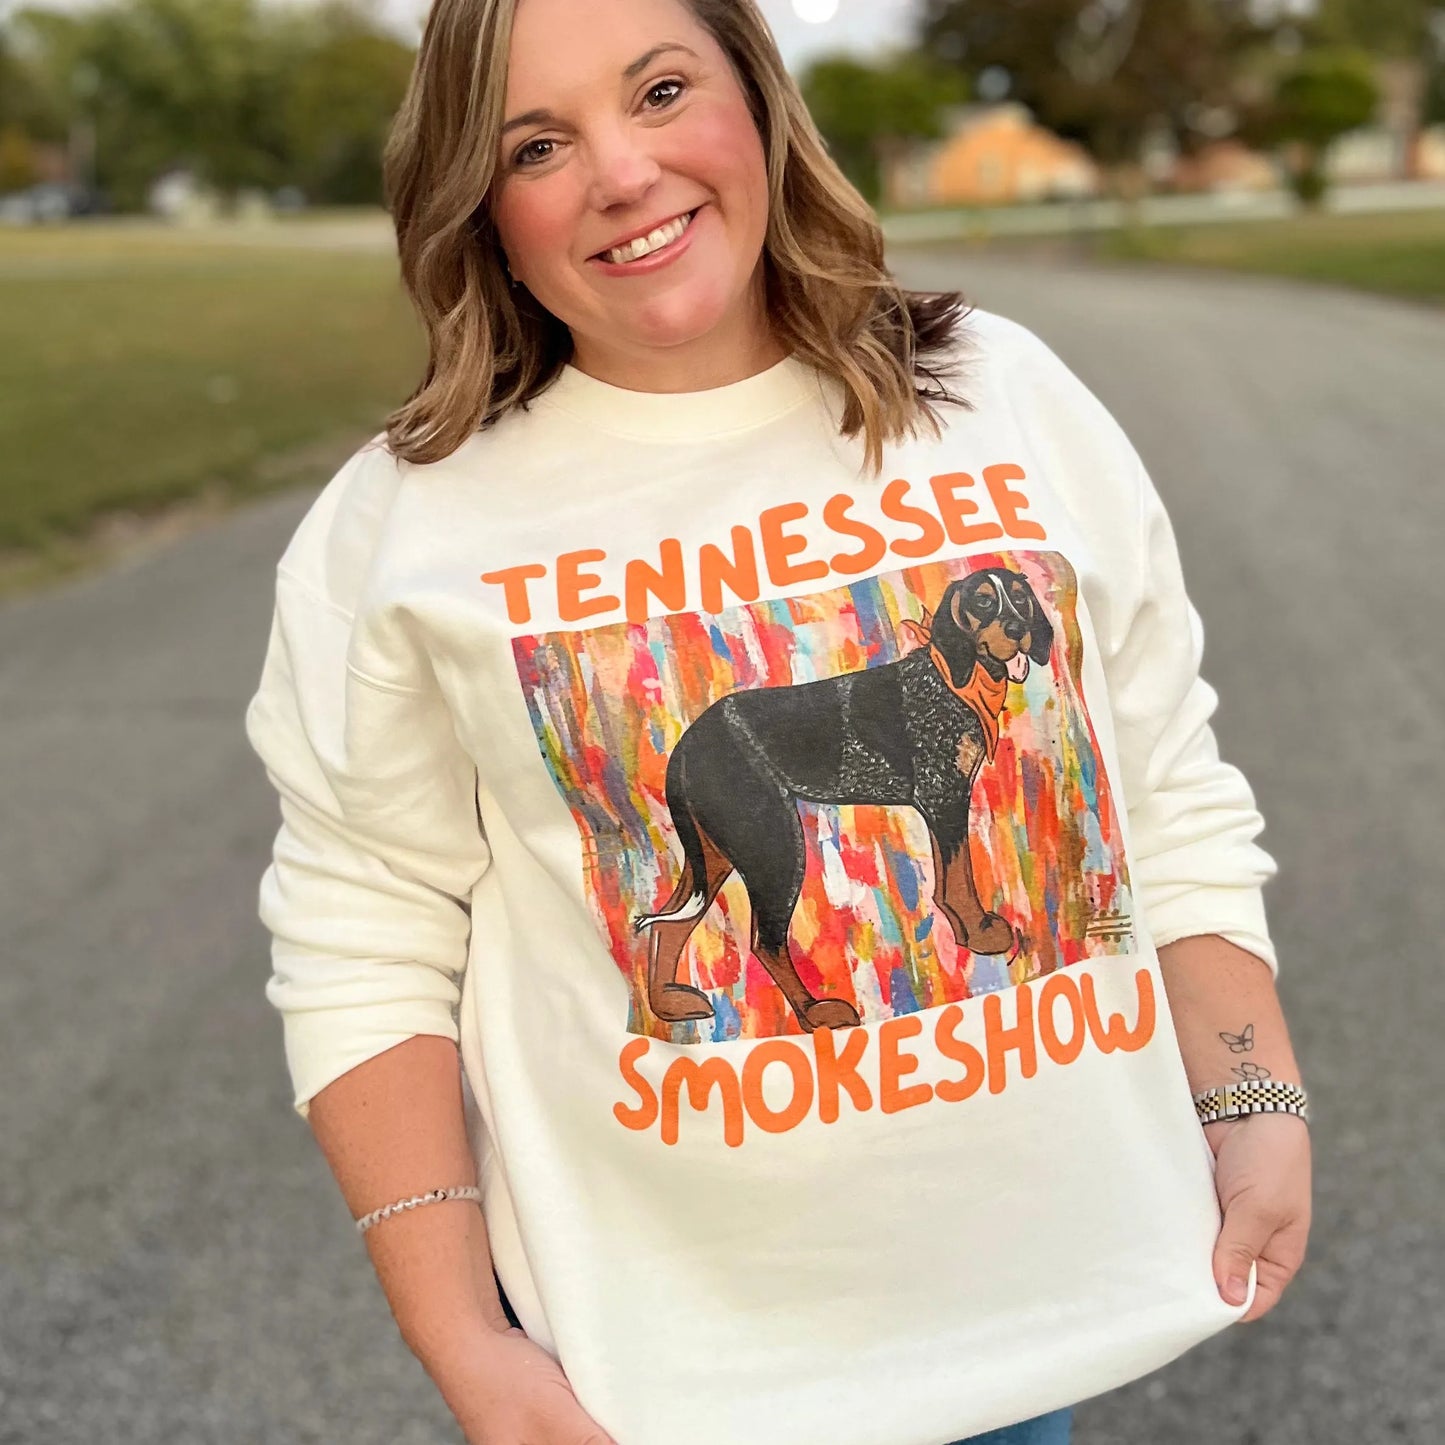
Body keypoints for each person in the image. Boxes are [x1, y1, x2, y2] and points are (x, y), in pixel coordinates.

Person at [242, 1, 1312, 1442]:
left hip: (1017, 1313)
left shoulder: (997, 395)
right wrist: (461, 1341)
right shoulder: (403, 523)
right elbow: (362, 930)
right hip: (670, 1380)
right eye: (539, 143)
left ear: (756, 99)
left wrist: (1250, 1086)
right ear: (480, 209)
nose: (623, 171)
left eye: (662, 89)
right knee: (746, 883)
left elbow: (1162, 773)